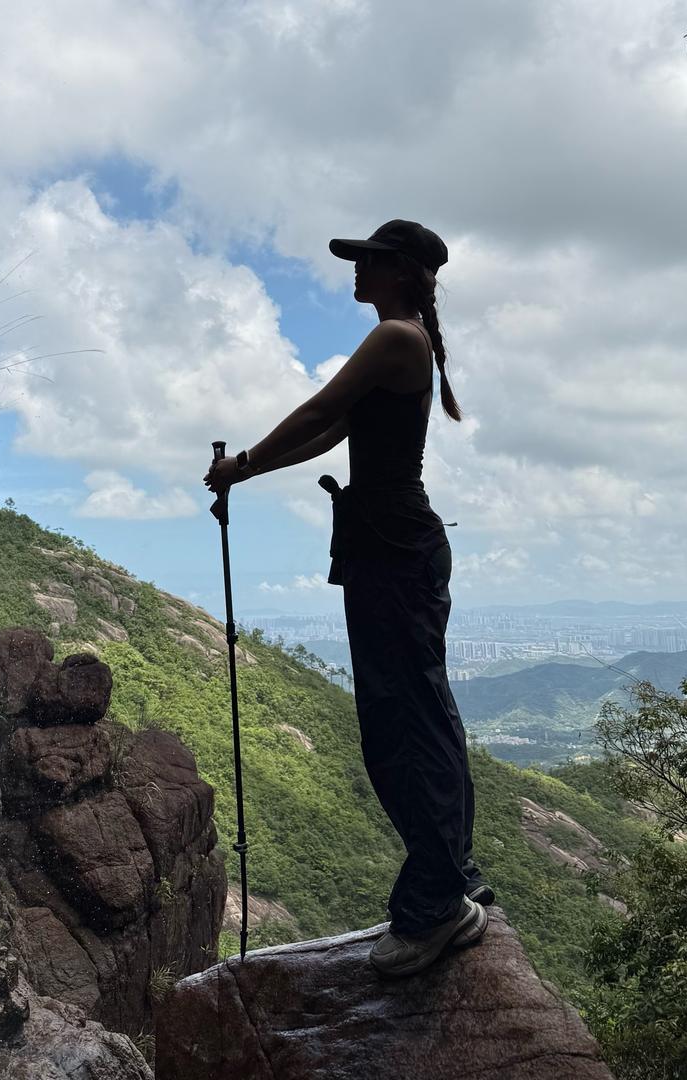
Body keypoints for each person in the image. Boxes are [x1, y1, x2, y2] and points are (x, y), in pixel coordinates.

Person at [203, 219, 494, 978]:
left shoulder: (396, 338)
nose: (353, 271)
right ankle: (450, 878)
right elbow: (332, 431)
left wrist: (243, 463)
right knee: (421, 715)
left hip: (393, 553)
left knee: (403, 727)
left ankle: (435, 905)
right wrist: (248, 471)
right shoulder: (402, 339)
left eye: (366, 260)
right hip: (391, 547)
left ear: (399, 272)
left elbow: (313, 410)